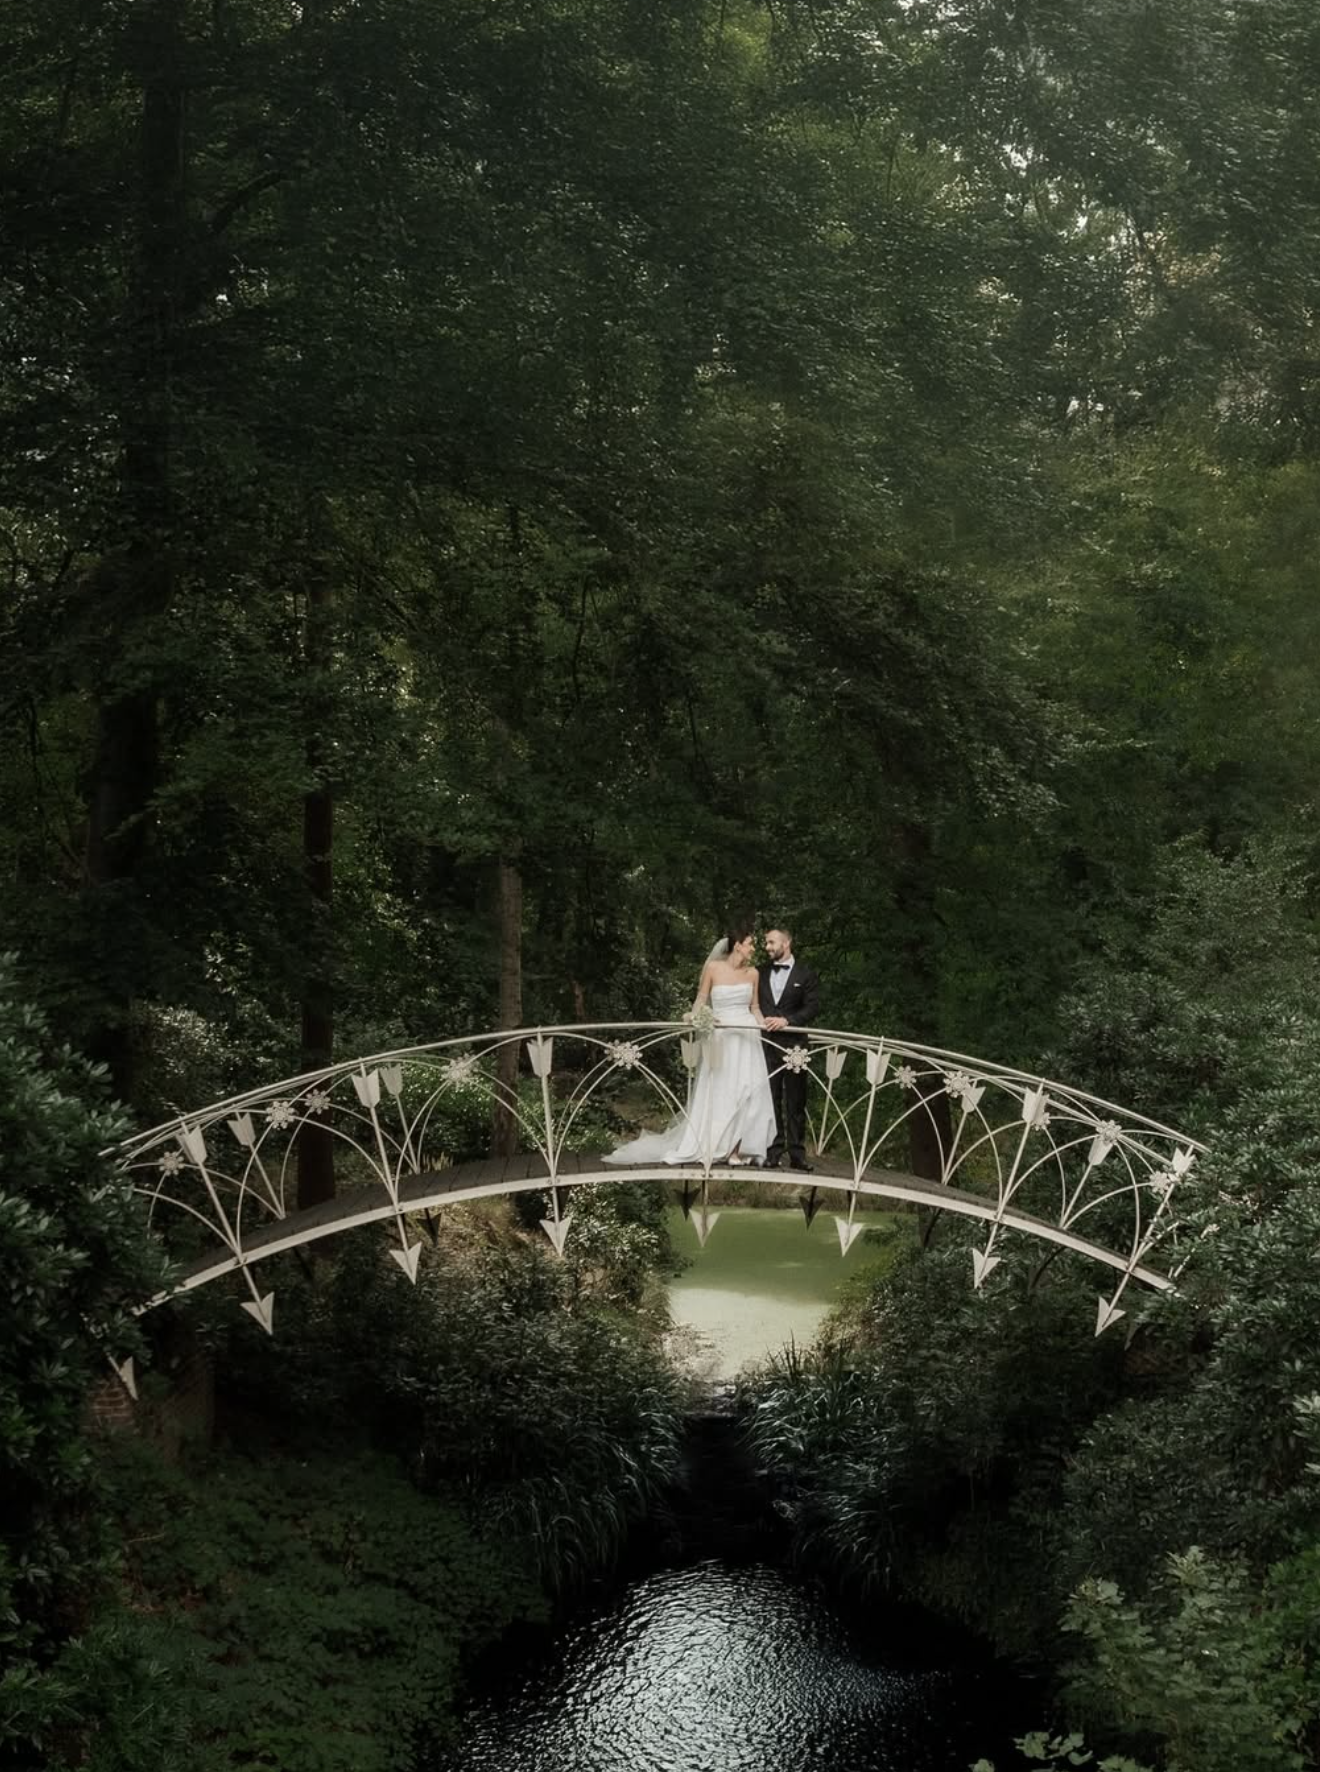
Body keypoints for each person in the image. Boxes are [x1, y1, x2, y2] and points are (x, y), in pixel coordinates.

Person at [603, 921, 778, 1167]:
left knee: (748, 1093)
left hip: (747, 1037)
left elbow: (755, 1008)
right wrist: (697, 1017)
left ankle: (737, 1150)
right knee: (722, 1091)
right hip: (721, 1039)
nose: (753, 950)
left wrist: (764, 1026)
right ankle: (714, 1143)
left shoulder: (753, 973)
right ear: (738, 945)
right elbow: (701, 1000)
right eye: (750, 945)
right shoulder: (714, 969)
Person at [759, 925, 820, 1170]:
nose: (767, 947)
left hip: (795, 1047)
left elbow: (813, 1007)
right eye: (766, 943)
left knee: (796, 1100)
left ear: (786, 943)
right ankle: (773, 1150)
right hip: (764, 1044)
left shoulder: (806, 974)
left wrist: (788, 1021)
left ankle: (797, 1153)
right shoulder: (759, 972)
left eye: (772, 942)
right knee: (770, 1098)